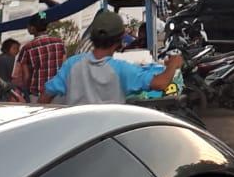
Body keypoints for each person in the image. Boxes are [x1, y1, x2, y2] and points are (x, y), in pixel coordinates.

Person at [42, 11, 182, 106]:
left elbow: (46, 95)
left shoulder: (71, 64)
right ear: (120, 40)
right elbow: (161, 83)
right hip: (109, 139)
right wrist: (173, 65)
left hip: (76, 142)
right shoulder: (122, 69)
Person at [10, 13, 69, 101]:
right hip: (57, 93)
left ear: (33, 28)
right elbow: (64, 68)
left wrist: (24, 92)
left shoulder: (27, 48)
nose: (27, 28)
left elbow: (26, 76)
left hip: (37, 94)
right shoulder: (59, 43)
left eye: (28, 26)